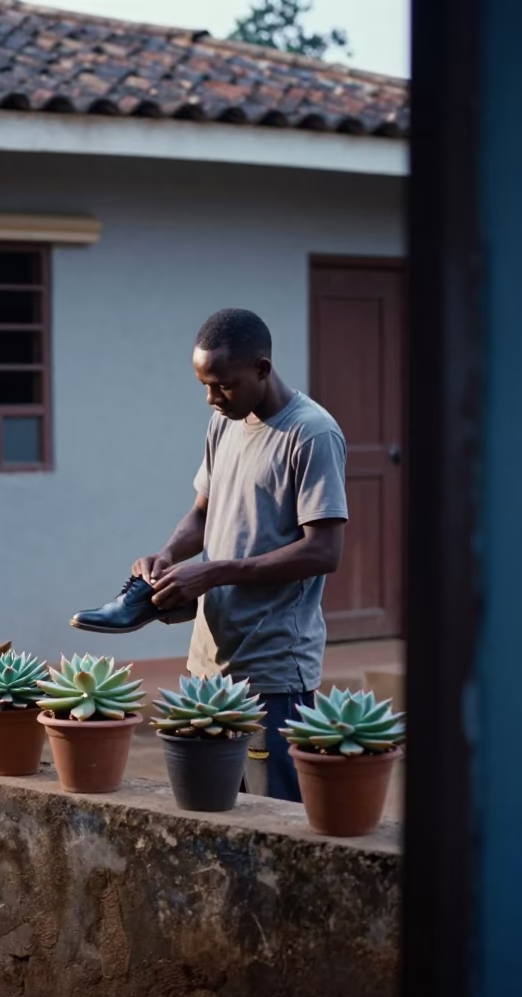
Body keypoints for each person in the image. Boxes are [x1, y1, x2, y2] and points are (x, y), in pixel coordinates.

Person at [133, 308, 348, 802]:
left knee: (274, 818)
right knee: (209, 811)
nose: (212, 398)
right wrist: (167, 556)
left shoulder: (311, 434)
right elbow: (203, 513)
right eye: (204, 385)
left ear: (263, 369)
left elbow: (324, 551)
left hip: (272, 668)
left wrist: (212, 573)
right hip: (208, 664)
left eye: (224, 385)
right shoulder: (222, 423)